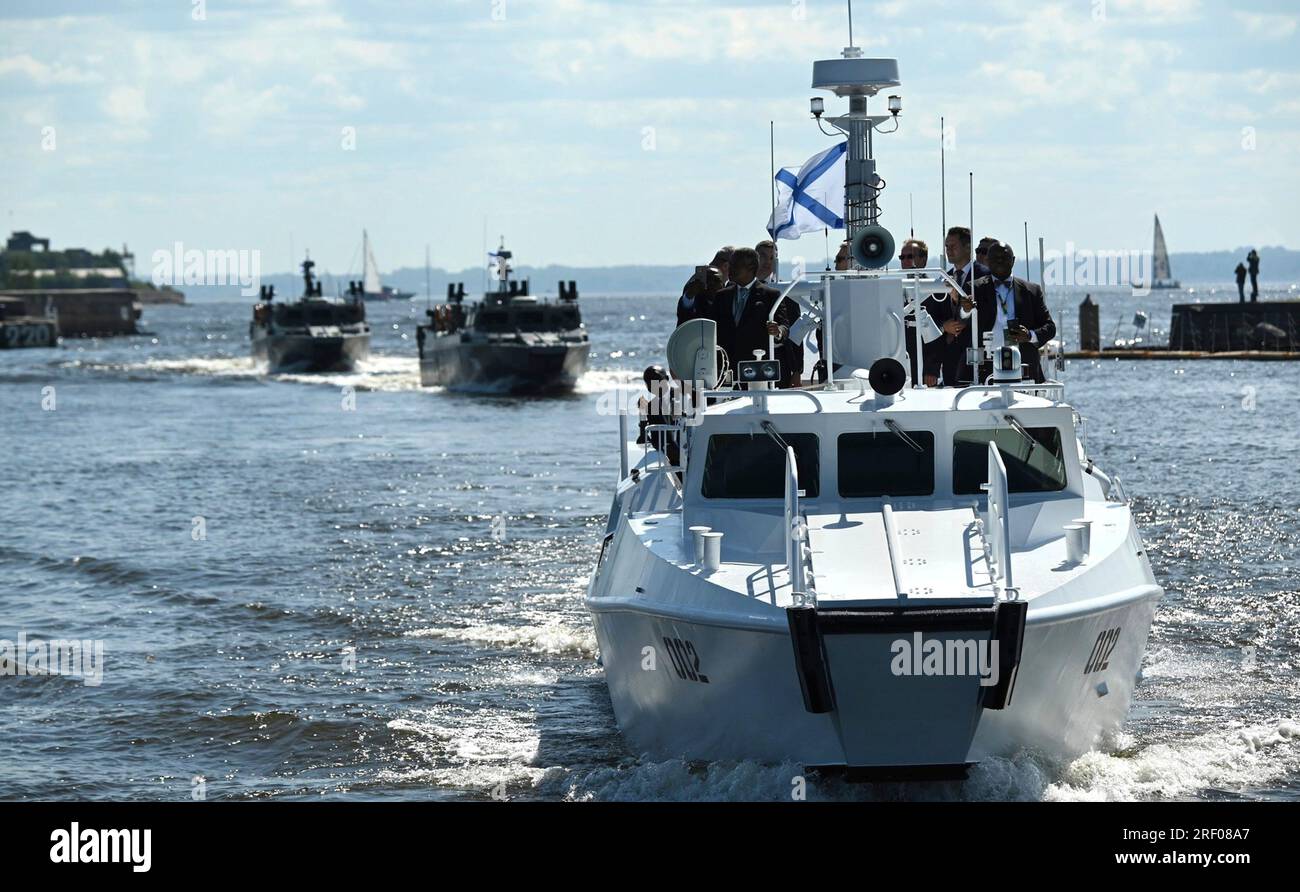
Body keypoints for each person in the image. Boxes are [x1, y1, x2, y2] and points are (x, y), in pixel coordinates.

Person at [961, 241, 1056, 384]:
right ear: (987, 261)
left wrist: (1030, 335)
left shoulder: (1032, 291)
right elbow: (962, 319)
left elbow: (1050, 328)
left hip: (1024, 367)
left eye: (1004, 257)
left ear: (1013, 260)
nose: (1000, 261)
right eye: (995, 258)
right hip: (985, 367)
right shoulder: (974, 288)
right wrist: (966, 310)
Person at [707, 247, 798, 385]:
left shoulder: (771, 295)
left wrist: (777, 332)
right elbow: (710, 329)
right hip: (726, 372)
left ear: (751, 268)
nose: (729, 268)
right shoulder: (721, 296)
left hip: (757, 371)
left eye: (735, 265)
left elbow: (784, 326)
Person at [898, 238, 946, 385]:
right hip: (905, 362)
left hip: (926, 365)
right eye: (902, 257)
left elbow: (939, 334)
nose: (905, 261)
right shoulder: (899, 289)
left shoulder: (936, 290)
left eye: (910, 256)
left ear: (923, 260)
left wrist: (932, 369)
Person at [677, 247, 732, 326]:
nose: (712, 284)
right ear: (726, 265)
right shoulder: (695, 283)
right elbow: (686, 312)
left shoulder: (729, 288)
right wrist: (690, 295)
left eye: (716, 281)